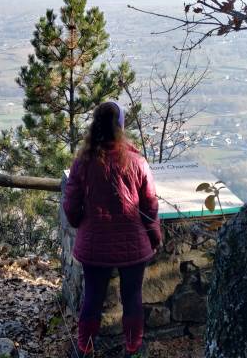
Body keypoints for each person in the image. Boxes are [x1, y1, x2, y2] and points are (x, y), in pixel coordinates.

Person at [63, 101, 161, 357]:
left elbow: (71, 205)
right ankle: (133, 348)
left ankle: (85, 348)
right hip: (133, 243)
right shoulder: (136, 161)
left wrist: (80, 224)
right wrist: (155, 235)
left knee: (92, 298)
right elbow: (150, 205)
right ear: (121, 126)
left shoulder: (83, 162)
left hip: (94, 244)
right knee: (132, 298)